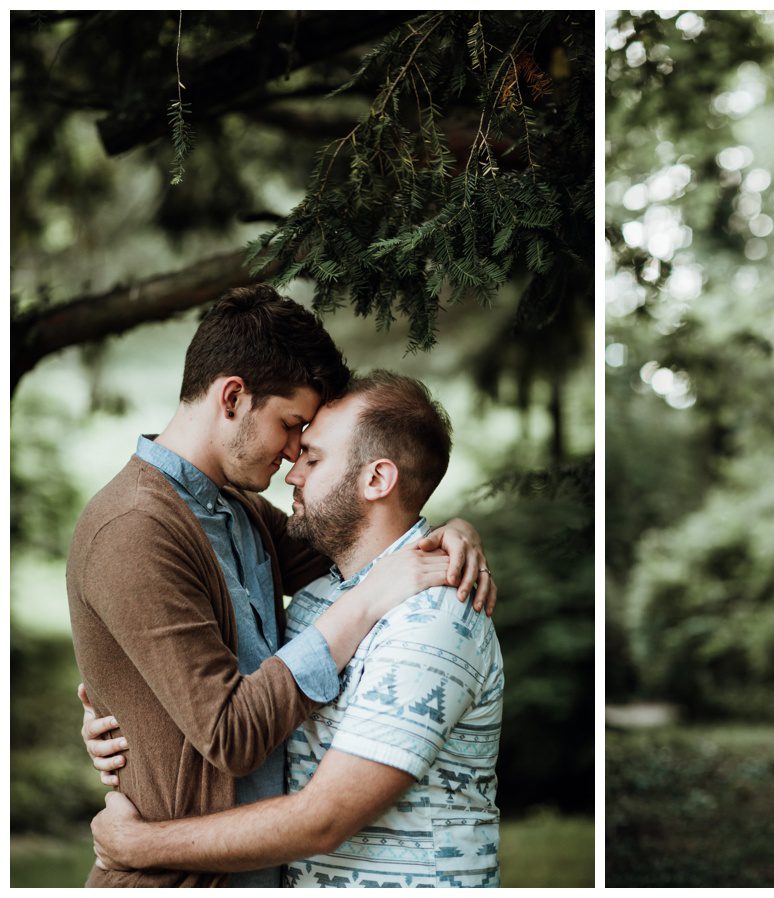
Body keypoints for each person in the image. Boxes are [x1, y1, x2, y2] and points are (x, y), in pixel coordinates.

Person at [67, 286, 494, 887]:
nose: (295, 451)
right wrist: (368, 603)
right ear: (234, 397)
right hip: (175, 879)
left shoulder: (235, 509)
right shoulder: (134, 527)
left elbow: (363, 537)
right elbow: (229, 734)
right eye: (291, 425)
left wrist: (451, 533)